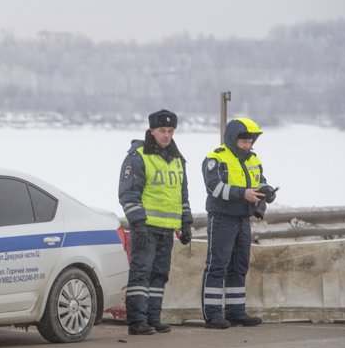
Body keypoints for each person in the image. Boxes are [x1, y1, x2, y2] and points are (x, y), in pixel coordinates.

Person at [118, 109, 193, 335]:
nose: (166, 135)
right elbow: (128, 193)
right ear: (152, 130)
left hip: (168, 228)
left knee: (160, 274)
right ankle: (137, 321)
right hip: (146, 228)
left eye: (170, 131)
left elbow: (182, 195)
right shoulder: (138, 156)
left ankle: (153, 317)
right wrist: (138, 223)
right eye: (162, 130)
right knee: (142, 272)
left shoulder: (178, 159)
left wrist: (185, 223)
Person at [201, 117, 277, 329]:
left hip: (244, 218)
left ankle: (236, 312)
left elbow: (259, 181)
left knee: (239, 266)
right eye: (243, 142)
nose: (247, 145)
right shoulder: (215, 158)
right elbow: (214, 187)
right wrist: (242, 194)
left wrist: (266, 191)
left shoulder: (254, 160)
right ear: (232, 139)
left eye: (250, 142)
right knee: (217, 265)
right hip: (222, 218)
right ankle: (213, 314)